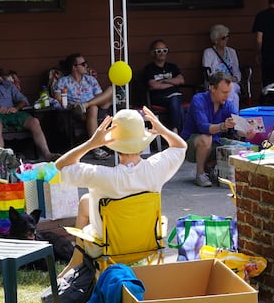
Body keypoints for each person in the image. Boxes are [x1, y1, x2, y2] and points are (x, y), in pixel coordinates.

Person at [54, 107, 185, 256]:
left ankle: (78, 257)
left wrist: (91, 143)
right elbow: (181, 147)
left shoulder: (100, 176)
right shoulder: (155, 169)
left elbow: (60, 166)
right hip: (147, 243)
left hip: (107, 248)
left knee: (86, 201)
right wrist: (163, 131)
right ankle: (76, 259)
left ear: (115, 146)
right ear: (142, 144)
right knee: (86, 201)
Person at [0, 63, 57, 161]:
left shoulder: (8, 85)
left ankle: (47, 154)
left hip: (13, 113)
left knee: (34, 121)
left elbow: (23, 100)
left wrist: (16, 107)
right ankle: (1, 160)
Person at [52, 53, 115, 156]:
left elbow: (100, 97)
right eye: (83, 64)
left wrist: (88, 104)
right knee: (93, 108)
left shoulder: (90, 79)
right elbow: (58, 100)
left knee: (111, 89)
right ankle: (96, 149)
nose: (86, 66)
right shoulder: (63, 82)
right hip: (78, 112)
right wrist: (71, 106)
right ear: (74, 67)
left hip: (97, 108)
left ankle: (86, 104)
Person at [184, 71, 238, 187]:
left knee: (236, 145)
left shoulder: (227, 104)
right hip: (191, 144)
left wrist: (247, 130)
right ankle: (200, 174)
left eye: (228, 92)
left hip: (214, 142)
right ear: (212, 88)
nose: (227, 96)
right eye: (224, 92)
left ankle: (209, 167)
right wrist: (223, 126)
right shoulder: (198, 99)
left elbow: (237, 121)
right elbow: (203, 127)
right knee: (206, 138)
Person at [139, 40, 185, 131]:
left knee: (176, 101)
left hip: (175, 96)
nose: (162, 53)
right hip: (159, 97)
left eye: (164, 51)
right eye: (158, 51)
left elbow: (181, 80)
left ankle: (175, 130)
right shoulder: (149, 69)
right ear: (153, 53)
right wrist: (172, 82)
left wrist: (163, 81)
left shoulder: (172, 67)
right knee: (177, 102)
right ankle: (180, 133)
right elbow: (154, 85)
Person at [201, 24, 241, 110]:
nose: (226, 40)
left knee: (231, 87)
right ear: (216, 40)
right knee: (234, 96)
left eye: (227, 37)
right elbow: (208, 73)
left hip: (232, 82)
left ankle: (227, 113)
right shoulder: (208, 52)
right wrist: (222, 79)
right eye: (223, 38)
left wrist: (235, 78)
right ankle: (233, 116)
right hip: (215, 84)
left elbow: (237, 71)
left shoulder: (231, 52)